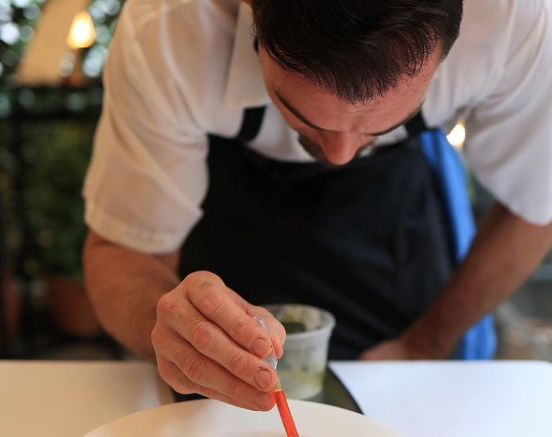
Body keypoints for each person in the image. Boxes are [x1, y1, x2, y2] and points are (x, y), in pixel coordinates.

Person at [83, 0, 552, 410]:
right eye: (302, 114)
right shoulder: (168, 28)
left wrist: (424, 344)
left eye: (382, 126)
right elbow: (123, 250)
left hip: (397, 231)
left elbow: (535, 210)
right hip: (230, 228)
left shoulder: (514, 18)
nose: (339, 155)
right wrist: (175, 332)